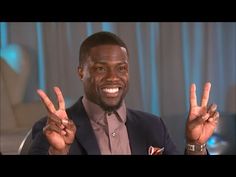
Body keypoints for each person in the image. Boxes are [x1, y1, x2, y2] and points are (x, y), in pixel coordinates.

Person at [28, 31, 219, 155]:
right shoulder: (52, 130)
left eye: (121, 68)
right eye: (101, 69)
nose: (113, 77)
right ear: (81, 72)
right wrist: (58, 153)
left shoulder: (153, 126)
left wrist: (195, 144)